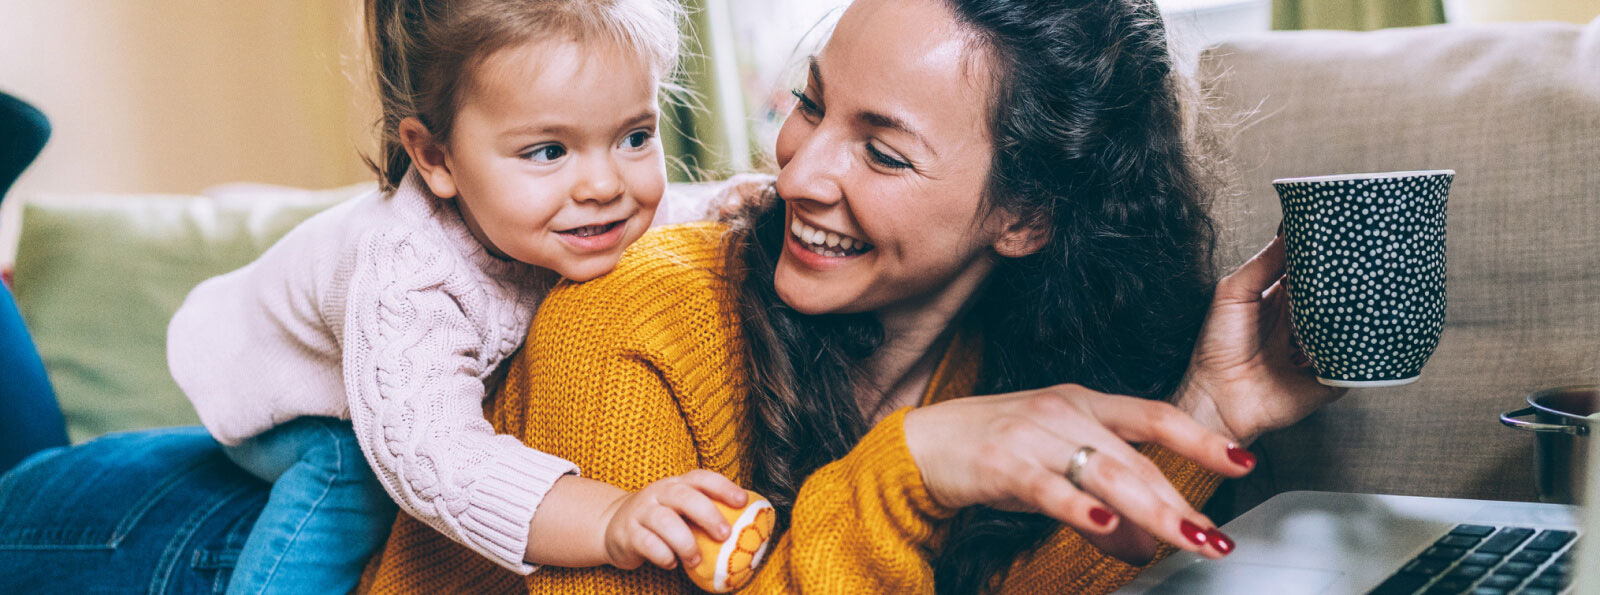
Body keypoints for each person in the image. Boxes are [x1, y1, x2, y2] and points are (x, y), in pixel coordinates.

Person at [360, 0, 1341, 593]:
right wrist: (900, 477)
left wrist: (1201, 417)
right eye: (811, 105)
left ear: (1026, 215)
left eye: (880, 150)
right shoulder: (624, 320)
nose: (795, 175)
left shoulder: (981, 362)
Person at [162, 0, 751, 592]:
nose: (605, 185)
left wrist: (758, 202)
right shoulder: (410, 274)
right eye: (548, 151)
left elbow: (692, 214)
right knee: (348, 478)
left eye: (634, 137)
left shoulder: (607, 210)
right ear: (436, 158)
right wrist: (607, 516)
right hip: (279, 389)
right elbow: (432, 457)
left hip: (384, 375)